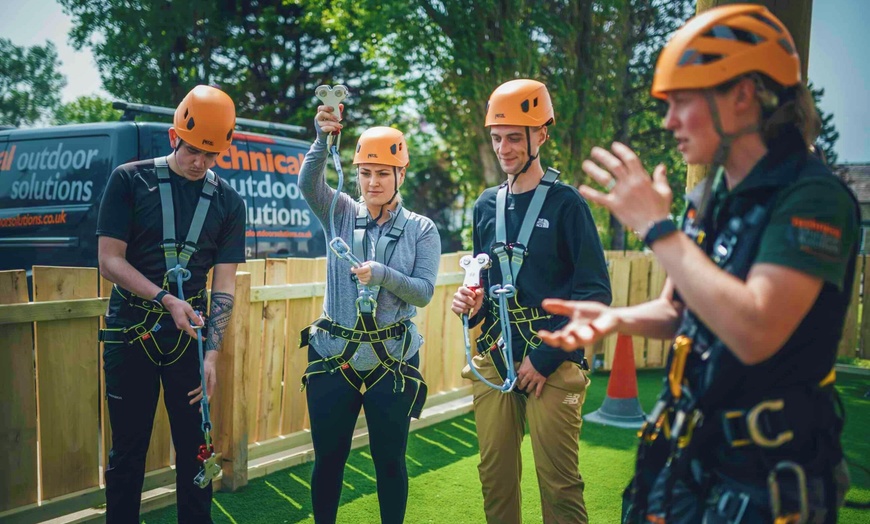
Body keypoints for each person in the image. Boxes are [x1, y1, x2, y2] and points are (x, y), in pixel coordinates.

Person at [538, 5, 857, 523]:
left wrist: (657, 228)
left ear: (741, 95)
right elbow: (681, 311)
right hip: (690, 454)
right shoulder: (712, 196)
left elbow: (755, 330)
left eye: (682, 101)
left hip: (769, 479)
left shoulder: (813, 197)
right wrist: (616, 319)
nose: (668, 121)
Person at [451, 78, 611, 524]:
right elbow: (487, 284)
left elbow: (595, 294)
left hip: (553, 360)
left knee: (559, 482)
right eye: (497, 138)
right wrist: (472, 302)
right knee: (495, 477)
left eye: (515, 138)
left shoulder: (566, 205)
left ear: (542, 134)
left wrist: (543, 358)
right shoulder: (486, 206)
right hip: (497, 356)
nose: (504, 148)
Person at [97, 85, 246, 522]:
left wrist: (212, 355)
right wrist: (164, 298)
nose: (200, 162)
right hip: (131, 333)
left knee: (196, 451)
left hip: (189, 340)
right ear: (173, 136)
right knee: (128, 452)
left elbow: (224, 287)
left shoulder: (229, 203)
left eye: (211, 155)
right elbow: (109, 260)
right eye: (193, 149)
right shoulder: (129, 179)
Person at [298, 101, 441, 524]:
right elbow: (308, 184)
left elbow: (423, 292)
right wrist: (323, 139)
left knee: (390, 460)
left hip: (392, 360)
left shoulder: (421, 229)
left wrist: (380, 274)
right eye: (365, 173)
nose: (372, 182)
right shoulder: (338, 211)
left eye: (382, 173)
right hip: (332, 355)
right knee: (328, 459)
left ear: (401, 174)